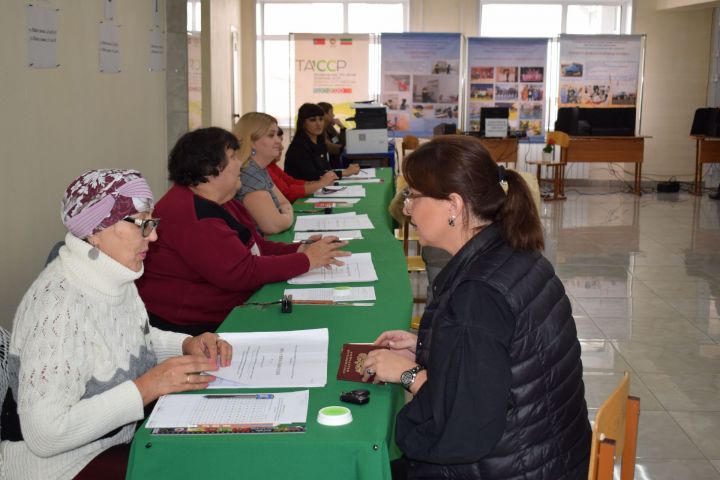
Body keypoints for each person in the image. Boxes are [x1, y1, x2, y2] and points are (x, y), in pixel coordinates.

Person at [363, 136, 591, 479]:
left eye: (413, 196)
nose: (407, 209)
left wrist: (407, 374)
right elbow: (504, 359)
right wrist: (428, 345)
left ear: (453, 205)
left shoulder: (478, 295)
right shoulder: (514, 252)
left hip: (511, 465)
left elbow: (464, 426)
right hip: (548, 455)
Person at [1, 169, 232, 480]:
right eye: (143, 224)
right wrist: (147, 387)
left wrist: (185, 344)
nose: (153, 236)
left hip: (107, 445)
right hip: (60, 469)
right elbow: (45, 435)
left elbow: (127, 340)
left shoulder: (111, 274)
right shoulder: (58, 307)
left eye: (153, 222)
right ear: (97, 230)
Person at [137, 127, 349, 335]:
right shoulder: (191, 214)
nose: (241, 163)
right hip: (194, 327)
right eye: (233, 157)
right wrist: (306, 260)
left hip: (221, 311)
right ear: (209, 169)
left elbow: (256, 246)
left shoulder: (221, 200)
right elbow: (241, 272)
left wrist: (300, 248)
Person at [233, 112, 294, 234]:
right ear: (251, 141)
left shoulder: (259, 169)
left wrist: (284, 213)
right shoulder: (248, 173)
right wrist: (288, 218)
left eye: (277, 135)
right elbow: (273, 225)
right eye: (271, 135)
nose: (278, 141)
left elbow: (284, 202)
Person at [284, 103, 359, 181]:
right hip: (303, 191)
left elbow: (326, 170)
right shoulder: (298, 147)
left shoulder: (320, 141)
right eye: (313, 120)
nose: (318, 124)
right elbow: (312, 175)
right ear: (303, 123)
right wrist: (344, 172)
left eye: (321, 119)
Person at [267, 127, 337, 203]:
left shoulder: (271, 165)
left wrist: (317, 183)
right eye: (271, 136)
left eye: (280, 141)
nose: (282, 147)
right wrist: (320, 183)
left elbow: (289, 181)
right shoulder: (298, 147)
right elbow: (286, 193)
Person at [318, 102, 346, 169]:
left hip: (335, 165)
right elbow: (330, 148)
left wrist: (342, 128)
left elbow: (339, 141)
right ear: (324, 114)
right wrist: (345, 149)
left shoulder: (329, 127)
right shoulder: (318, 131)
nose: (333, 115)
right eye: (331, 112)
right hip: (327, 169)